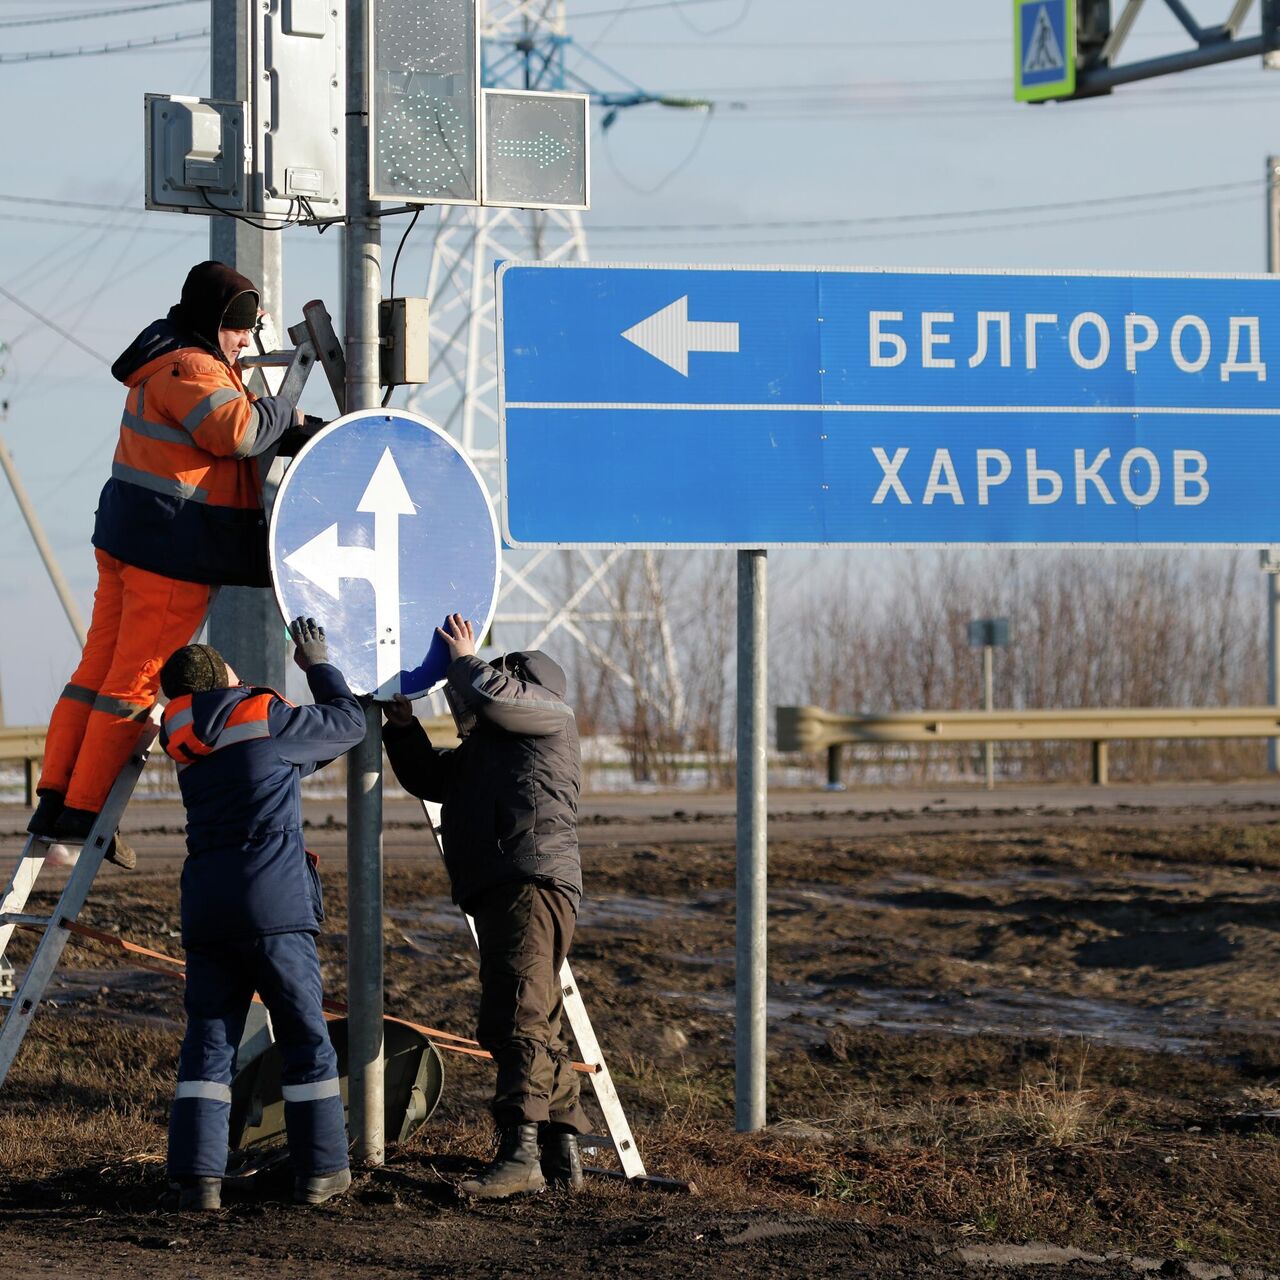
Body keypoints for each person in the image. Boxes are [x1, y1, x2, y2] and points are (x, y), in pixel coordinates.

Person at [26, 261, 307, 868]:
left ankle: (56, 796)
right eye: (239, 328)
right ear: (217, 323)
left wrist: (290, 427)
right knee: (134, 684)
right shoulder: (193, 365)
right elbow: (234, 432)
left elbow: (225, 426)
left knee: (97, 672)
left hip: (130, 542)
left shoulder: (166, 360)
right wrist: (284, 416)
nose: (245, 341)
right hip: (170, 553)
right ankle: (87, 810)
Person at [159, 617, 364, 1211]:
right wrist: (320, 666)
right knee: (304, 1038)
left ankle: (195, 1181)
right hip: (273, 905)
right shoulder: (264, 717)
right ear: (225, 674)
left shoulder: (180, 735)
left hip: (207, 906)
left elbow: (267, 768)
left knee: (209, 1042)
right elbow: (347, 724)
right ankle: (323, 1171)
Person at [382, 614, 587, 1199]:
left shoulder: (549, 716)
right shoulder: (493, 748)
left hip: (528, 880)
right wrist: (404, 728)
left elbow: (492, 694)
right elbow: (430, 778)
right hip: (508, 881)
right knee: (537, 1018)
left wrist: (466, 658)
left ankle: (519, 1153)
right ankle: (560, 1149)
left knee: (515, 1017)